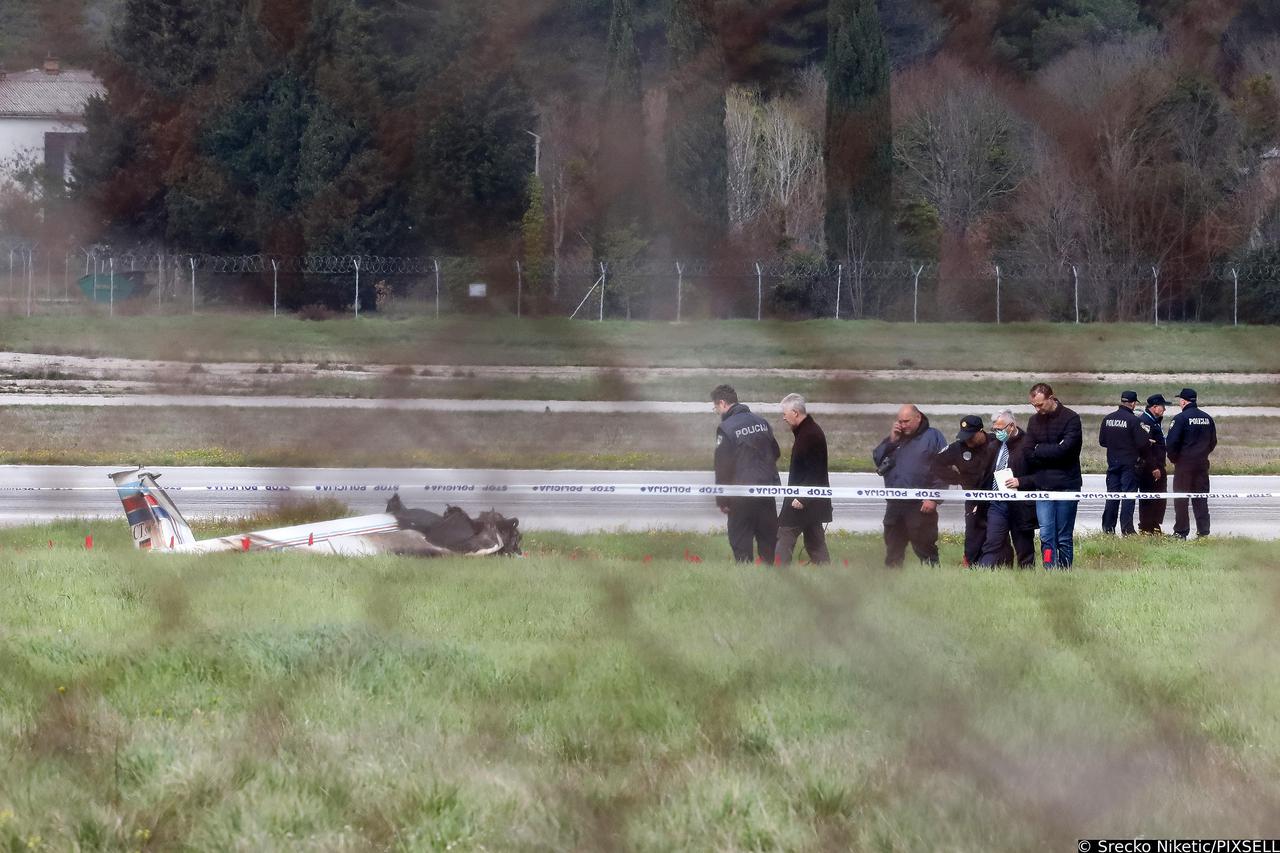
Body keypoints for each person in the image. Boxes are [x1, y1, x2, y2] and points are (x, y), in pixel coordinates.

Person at [711, 384, 781, 562]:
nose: (717, 412)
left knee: (741, 541)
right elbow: (776, 452)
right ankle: (769, 577)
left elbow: (722, 466)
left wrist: (722, 499)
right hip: (767, 492)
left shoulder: (726, 428)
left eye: (715, 408)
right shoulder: (761, 422)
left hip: (740, 495)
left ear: (722, 403)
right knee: (767, 542)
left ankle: (745, 579)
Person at [872, 404, 946, 568]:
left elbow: (945, 469)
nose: (903, 425)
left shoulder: (933, 436)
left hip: (920, 505)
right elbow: (878, 459)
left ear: (918, 417)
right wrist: (891, 440)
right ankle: (893, 581)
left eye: (907, 421)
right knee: (893, 549)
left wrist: (934, 497)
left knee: (925, 547)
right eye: (900, 421)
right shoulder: (897, 438)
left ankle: (932, 577)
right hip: (895, 504)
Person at [1024, 383, 1083, 569]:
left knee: (1063, 535)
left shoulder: (1071, 418)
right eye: (1034, 405)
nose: (1037, 409)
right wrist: (1050, 451)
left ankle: (1066, 570)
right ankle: (1049, 567)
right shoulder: (1034, 421)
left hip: (1067, 485)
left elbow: (1066, 451)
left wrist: (1039, 449)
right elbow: (1027, 451)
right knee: (1046, 535)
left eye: (1040, 404)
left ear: (1051, 398)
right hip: (1043, 486)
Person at [931, 414, 998, 566]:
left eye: (971, 436)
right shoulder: (958, 447)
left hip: (996, 500)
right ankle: (970, 564)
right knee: (973, 537)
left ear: (981, 431)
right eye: (965, 436)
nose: (968, 440)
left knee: (996, 536)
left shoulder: (996, 442)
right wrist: (956, 478)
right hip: (973, 500)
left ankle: (997, 565)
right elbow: (936, 464)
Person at [776, 393, 831, 565]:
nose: (783, 417)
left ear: (795, 412)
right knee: (815, 541)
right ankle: (825, 572)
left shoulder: (810, 435)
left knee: (785, 534)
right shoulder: (806, 431)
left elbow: (815, 470)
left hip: (802, 499)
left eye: (785, 413)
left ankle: (778, 572)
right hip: (810, 499)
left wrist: (802, 497)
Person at [979, 409, 1038, 568]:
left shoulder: (1028, 444)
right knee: (992, 542)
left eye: (1000, 429)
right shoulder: (994, 445)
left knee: (1024, 547)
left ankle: (1028, 578)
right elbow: (986, 474)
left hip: (1020, 504)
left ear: (1011, 426)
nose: (996, 432)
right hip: (997, 503)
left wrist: (1021, 481)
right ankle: (983, 575)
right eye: (994, 429)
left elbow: (1040, 477)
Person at [1166, 387, 1217, 539]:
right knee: (1201, 500)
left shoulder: (1180, 418)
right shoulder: (1207, 418)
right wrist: (1202, 455)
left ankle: (1181, 532)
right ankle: (1203, 532)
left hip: (1184, 467)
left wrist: (1176, 460)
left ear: (1183, 401)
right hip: (1202, 466)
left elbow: (1171, 443)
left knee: (1181, 500)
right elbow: (1213, 442)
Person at [1097, 390, 1147, 536]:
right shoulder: (1134, 420)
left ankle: (1108, 528)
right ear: (1132, 403)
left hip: (1113, 463)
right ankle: (1127, 529)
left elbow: (1102, 441)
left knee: (1112, 497)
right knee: (1128, 497)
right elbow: (1141, 442)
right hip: (1129, 465)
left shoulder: (1108, 419)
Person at [1137, 394, 1170, 534]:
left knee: (1159, 496)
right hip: (1150, 467)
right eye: (1163, 406)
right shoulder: (1145, 421)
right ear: (1155, 407)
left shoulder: (1155, 421)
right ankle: (1146, 526)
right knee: (1149, 497)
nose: (1165, 409)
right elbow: (1145, 448)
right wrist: (1154, 467)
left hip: (1158, 465)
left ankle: (1154, 524)